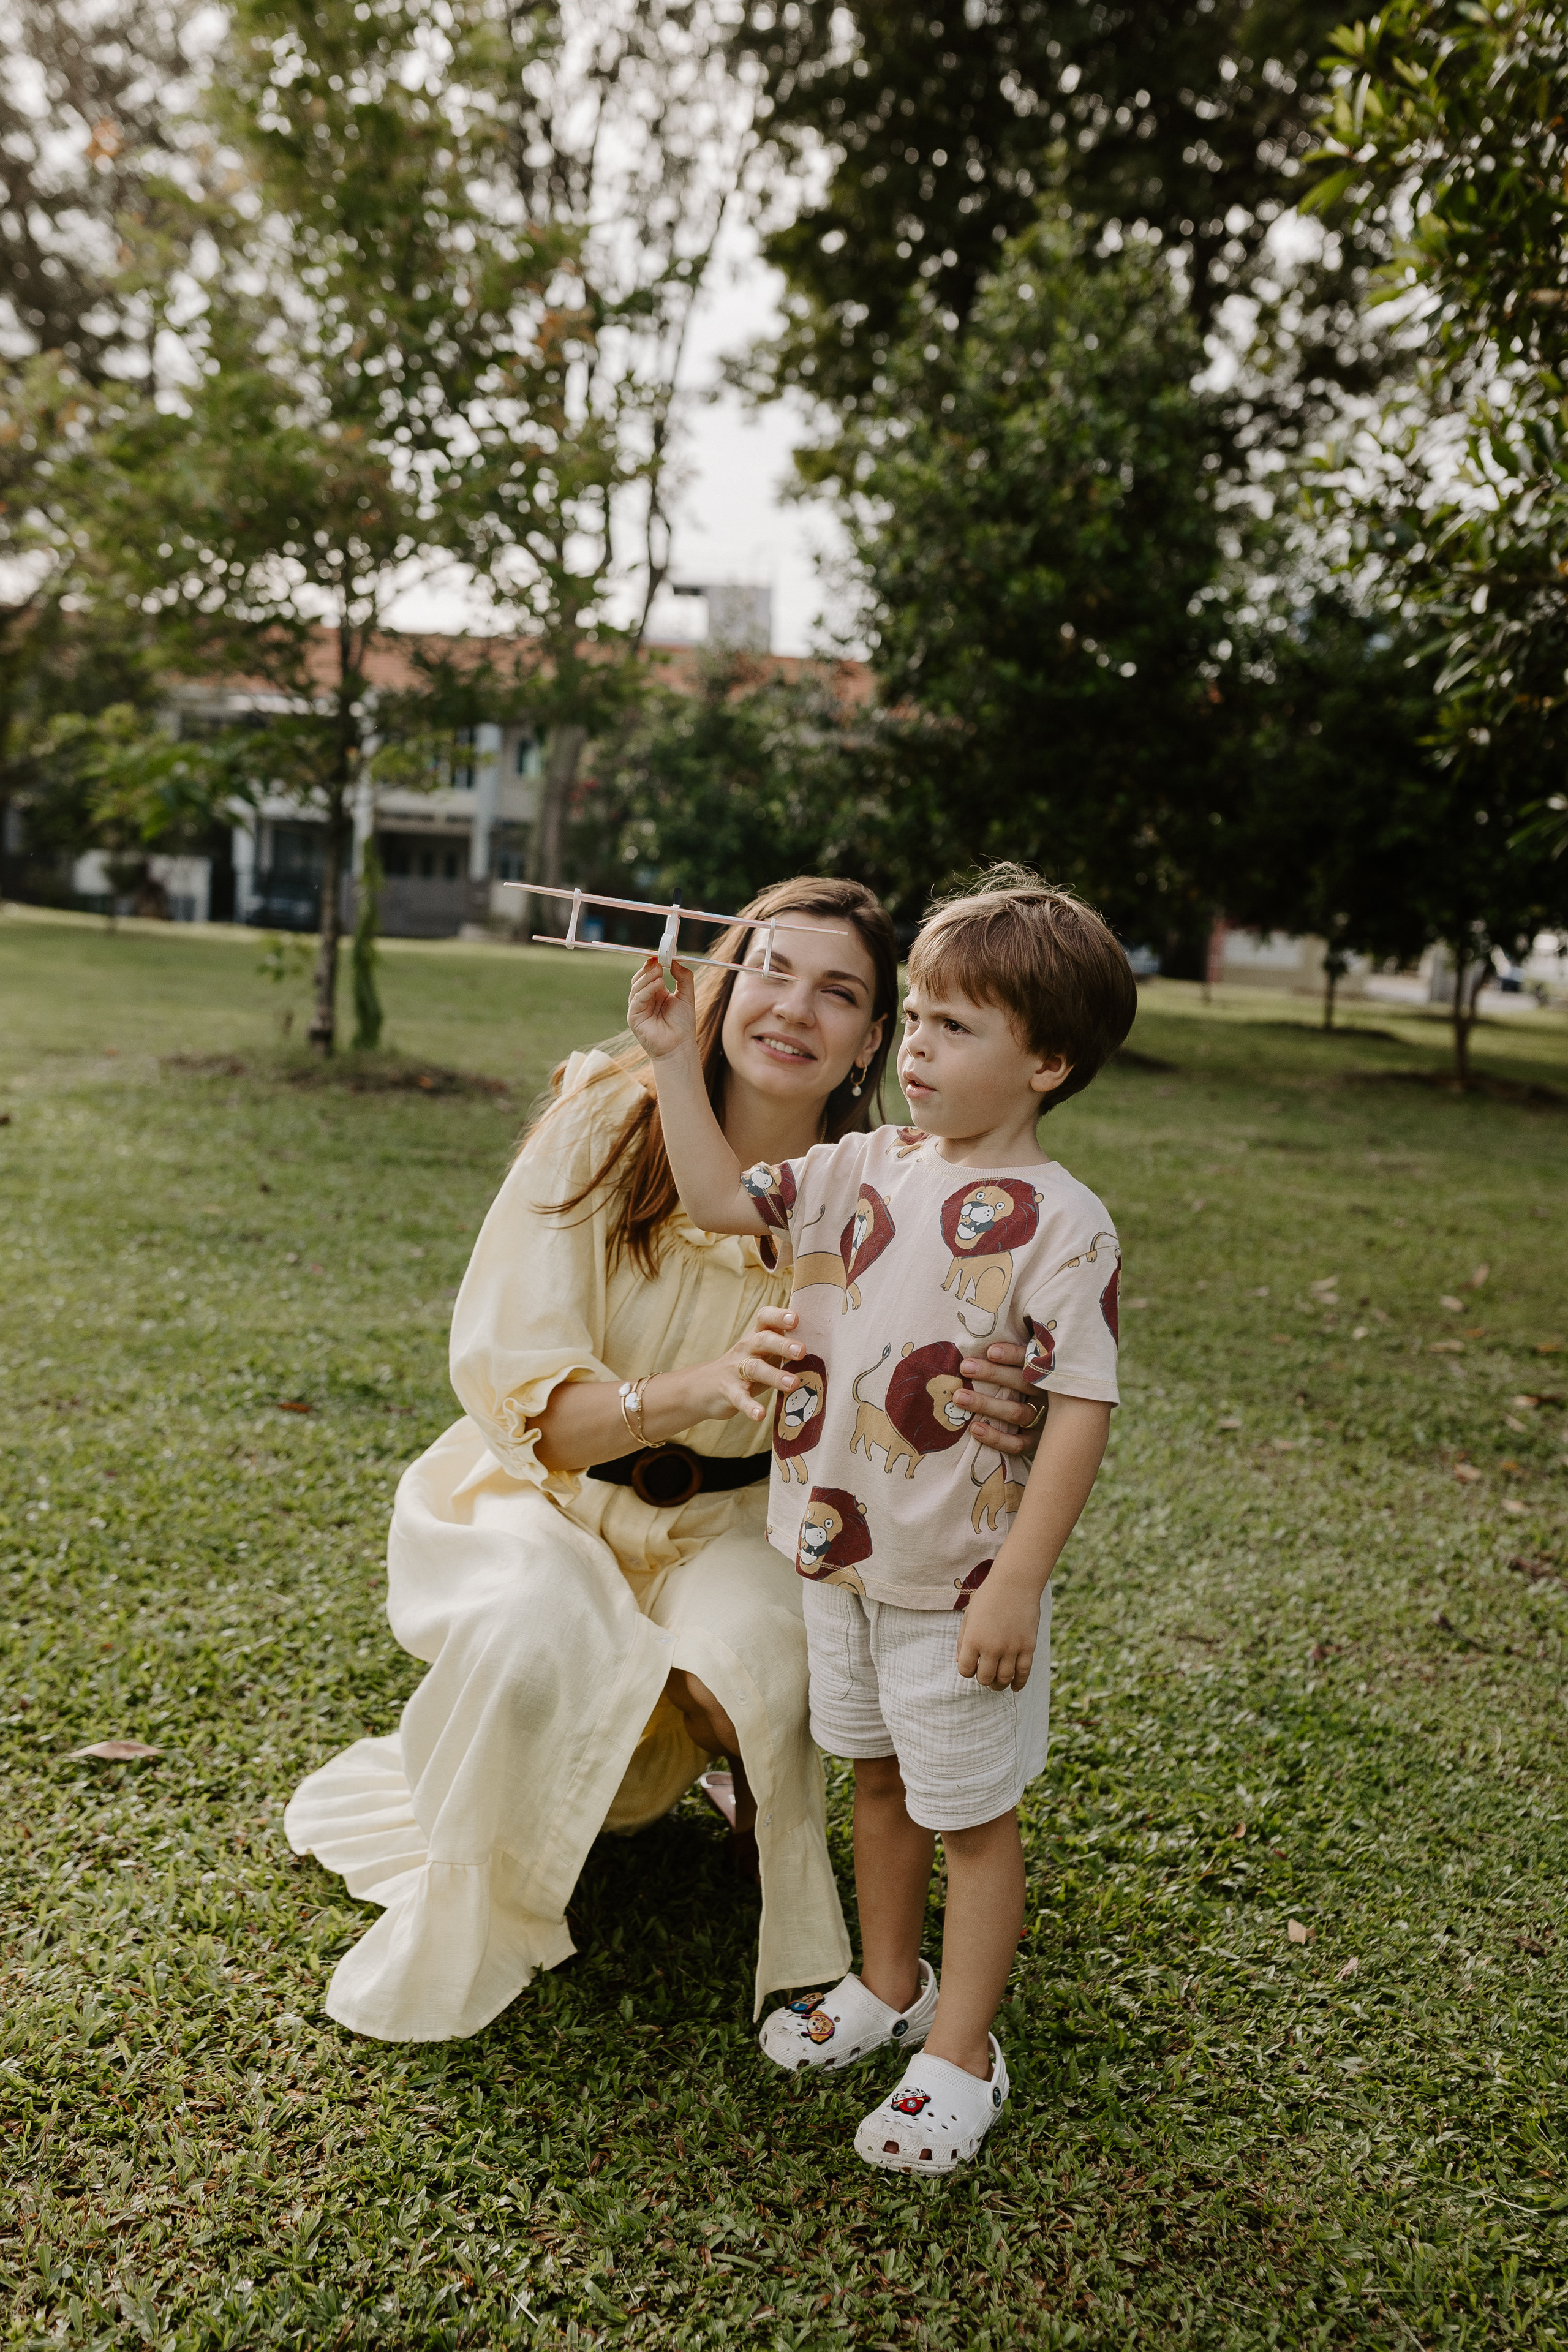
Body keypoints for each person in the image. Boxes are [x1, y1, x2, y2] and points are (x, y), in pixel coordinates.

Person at [284, 876, 1048, 2041]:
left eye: (839, 993)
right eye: (772, 971)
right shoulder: (609, 1116)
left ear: (873, 1042)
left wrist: (1005, 1399)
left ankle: (734, 1785)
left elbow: (948, 1366)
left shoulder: (883, 1189)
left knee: (770, 1671)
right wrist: (691, 1388)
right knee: (539, 1642)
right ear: (722, 983)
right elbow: (529, 1408)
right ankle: (507, 1832)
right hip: (546, 1496)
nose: (795, 1009)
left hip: (737, 1523)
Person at [628, 867, 1136, 2170]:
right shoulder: (857, 1165)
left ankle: (961, 2052)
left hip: (958, 1580)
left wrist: (1020, 1579)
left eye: (954, 1027)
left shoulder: (1065, 1227)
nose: (916, 1048)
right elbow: (715, 1200)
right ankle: (887, 1981)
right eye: (913, 1019)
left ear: (1049, 1062)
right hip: (834, 1555)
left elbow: (1076, 1407)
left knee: (969, 1816)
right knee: (877, 1782)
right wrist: (667, 1065)